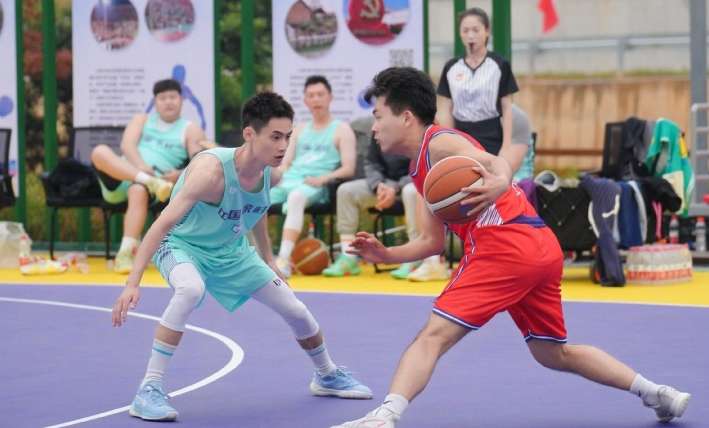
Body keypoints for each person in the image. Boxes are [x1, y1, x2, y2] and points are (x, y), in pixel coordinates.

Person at [331, 67, 690, 428]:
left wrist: (501, 181)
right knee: (552, 352)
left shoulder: (440, 144)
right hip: (538, 246)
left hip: (503, 248)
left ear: (406, 117)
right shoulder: (421, 170)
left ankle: (384, 417)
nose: (373, 127)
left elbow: (495, 161)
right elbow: (431, 241)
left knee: (432, 337)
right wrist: (386, 255)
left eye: (378, 116)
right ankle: (655, 392)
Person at [111, 92, 371, 422]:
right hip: (181, 245)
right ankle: (149, 389)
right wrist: (132, 283)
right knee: (190, 290)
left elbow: (256, 210)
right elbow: (161, 225)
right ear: (249, 133)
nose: (283, 146)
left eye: (288, 136)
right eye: (275, 137)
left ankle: (327, 374)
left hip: (232, 251)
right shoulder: (210, 172)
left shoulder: (271, 173)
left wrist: (269, 259)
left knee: (296, 310)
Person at [91, 79, 207, 274]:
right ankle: (147, 181)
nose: (168, 102)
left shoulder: (190, 128)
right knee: (99, 151)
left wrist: (179, 175)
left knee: (138, 189)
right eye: (162, 98)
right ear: (155, 102)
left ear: (181, 100)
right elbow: (127, 145)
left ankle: (125, 254)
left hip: (159, 187)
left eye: (173, 97)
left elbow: (199, 160)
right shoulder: (141, 119)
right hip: (125, 176)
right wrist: (142, 168)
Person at [271, 75, 356, 277]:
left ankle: (283, 260)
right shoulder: (299, 130)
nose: (316, 99)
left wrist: (323, 179)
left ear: (330, 97)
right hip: (290, 180)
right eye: (311, 95)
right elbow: (285, 163)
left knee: (296, 197)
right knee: (252, 197)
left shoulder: (342, 130)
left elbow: (349, 168)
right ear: (305, 100)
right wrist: (271, 177)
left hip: (316, 185)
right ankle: (249, 258)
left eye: (320, 94)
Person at [436, 7, 518, 156]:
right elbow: (447, 108)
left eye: (476, 30)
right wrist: (449, 140)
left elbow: (507, 108)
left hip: (491, 135)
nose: (470, 35)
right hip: (461, 134)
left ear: (487, 31)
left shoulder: (500, 65)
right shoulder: (451, 67)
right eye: (465, 30)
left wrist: (506, 146)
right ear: (460, 33)